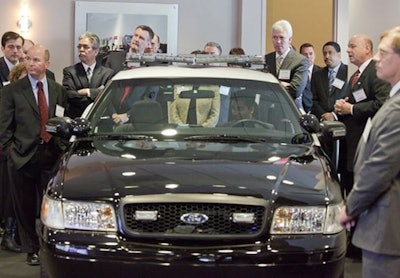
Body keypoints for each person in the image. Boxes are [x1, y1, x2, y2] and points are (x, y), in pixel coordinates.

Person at [339, 26, 400, 278]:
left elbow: (380, 168)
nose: (377, 57)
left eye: (383, 53)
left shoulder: (396, 109)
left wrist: (350, 207)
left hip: (386, 228)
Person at [0, 45, 68, 265]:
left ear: (47, 63)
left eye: (36, 60)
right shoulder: (12, 90)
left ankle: (52, 245)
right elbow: (4, 127)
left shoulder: (58, 90)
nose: (30, 63)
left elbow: (61, 120)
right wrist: (10, 151)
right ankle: (32, 249)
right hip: (22, 156)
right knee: (25, 206)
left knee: (50, 207)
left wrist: (61, 147)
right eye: (28, 59)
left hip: (51, 154)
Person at [63, 32, 114, 119]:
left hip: (99, 120)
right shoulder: (70, 71)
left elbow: (109, 98)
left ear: (96, 51)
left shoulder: (108, 73)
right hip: (76, 118)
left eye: (86, 47)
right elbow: (70, 95)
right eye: (79, 47)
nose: (81, 50)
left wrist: (87, 92)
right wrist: (96, 94)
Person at [264, 20, 309, 111]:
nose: (278, 41)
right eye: (274, 37)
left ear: (290, 39)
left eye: (281, 37)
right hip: (267, 110)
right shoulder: (266, 59)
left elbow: (295, 91)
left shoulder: (300, 61)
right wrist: (283, 85)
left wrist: (271, 87)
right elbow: (260, 88)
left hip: (290, 111)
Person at [311, 41, 348, 120]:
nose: (327, 56)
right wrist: (324, 115)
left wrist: (334, 115)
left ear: (339, 54)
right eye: (325, 53)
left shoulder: (348, 72)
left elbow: (349, 98)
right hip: (322, 120)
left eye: (330, 53)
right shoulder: (317, 75)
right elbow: (314, 99)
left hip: (342, 119)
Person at [300, 42, 321, 112]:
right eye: (305, 54)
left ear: (314, 55)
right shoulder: (297, 72)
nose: (308, 56)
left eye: (311, 54)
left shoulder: (322, 72)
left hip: (318, 111)